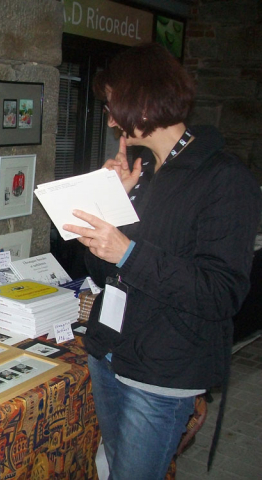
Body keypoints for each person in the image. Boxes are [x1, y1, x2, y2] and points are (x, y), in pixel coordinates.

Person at [62, 43, 261, 479]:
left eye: (115, 106)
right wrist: (115, 200)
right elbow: (104, 273)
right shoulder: (144, 174)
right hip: (109, 353)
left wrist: (128, 251)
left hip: (163, 373)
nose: (111, 120)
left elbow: (222, 293)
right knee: (114, 467)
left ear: (144, 101)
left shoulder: (225, 179)